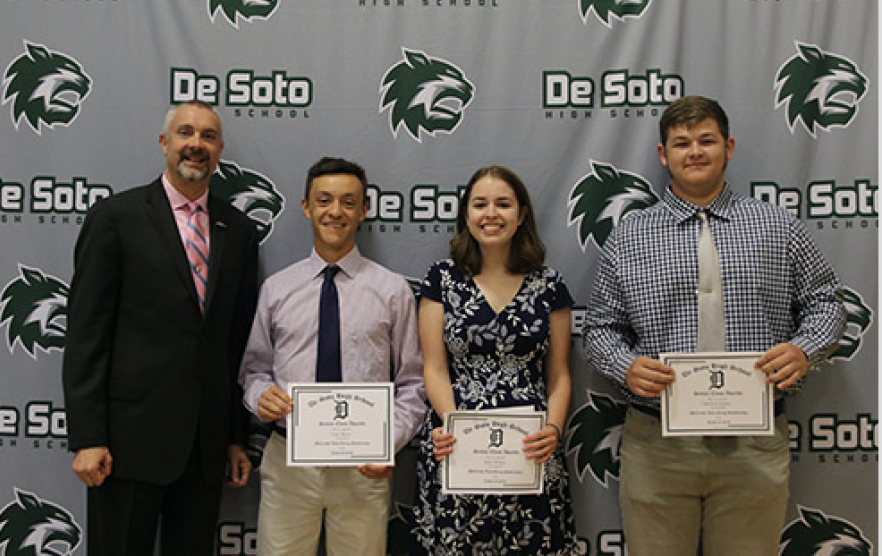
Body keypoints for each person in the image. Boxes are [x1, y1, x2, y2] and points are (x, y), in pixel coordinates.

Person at [583, 95, 845, 556]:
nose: (695, 151)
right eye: (681, 143)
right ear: (664, 155)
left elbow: (826, 301)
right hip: (657, 441)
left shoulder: (776, 226)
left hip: (753, 442)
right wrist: (625, 366)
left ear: (729, 146)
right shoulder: (630, 235)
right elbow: (601, 327)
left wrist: (805, 349)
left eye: (707, 140)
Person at [62, 100, 259, 555]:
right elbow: (87, 334)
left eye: (208, 136)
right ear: (164, 143)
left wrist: (233, 436)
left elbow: (235, 346)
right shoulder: (116, 218)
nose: (196, 144)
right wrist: (89, 437)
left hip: (203, 450)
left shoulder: (239, 230)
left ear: (220, 149)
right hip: (126, 446)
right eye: (186, 133)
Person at [238, 157, 426, 556]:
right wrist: (261, 397)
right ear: (306, 207)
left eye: (347, 201)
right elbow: (254, 370)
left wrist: (386, 442)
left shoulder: (392, 292)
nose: (335, 212)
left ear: (364, 210)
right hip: (289, 458)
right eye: (324, 200)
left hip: (363, 465)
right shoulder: (277, 289)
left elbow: (413, 384)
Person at [411, 166, 580, 555]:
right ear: (465, 215)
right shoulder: (441, 280)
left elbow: (558, 375)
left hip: (530, 448)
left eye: (503, 204)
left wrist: (552, 431)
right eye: (480, 204)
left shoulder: (549, 285)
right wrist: (455, 428)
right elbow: (434, 368)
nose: (491, 214)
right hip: (454, 445)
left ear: (521, 215)